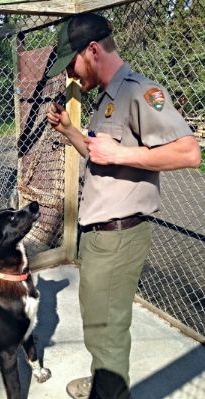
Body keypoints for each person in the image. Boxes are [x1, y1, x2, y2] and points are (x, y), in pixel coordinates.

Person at [46, 12, 201, 399]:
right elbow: (100, 154)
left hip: (119, 236)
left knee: (107, 333)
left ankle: (110, 390)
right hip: (100, 237)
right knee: (98, 325)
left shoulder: (138, 91)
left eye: (73, 64)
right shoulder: (108, 98)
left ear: (93, 50)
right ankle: (104, 378)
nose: (71, 76)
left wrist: (120, 155)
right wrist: (69, 131)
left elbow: (188, 152)